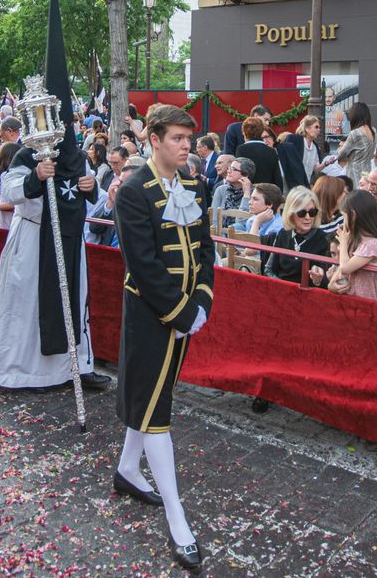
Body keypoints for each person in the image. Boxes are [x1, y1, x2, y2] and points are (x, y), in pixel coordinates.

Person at [0, 0, 111, 394]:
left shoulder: (76, 155)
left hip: (70, 243)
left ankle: (78, 366)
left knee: (74, 300)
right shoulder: (26, 153)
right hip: (35, 241)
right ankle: (21, 370)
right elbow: (8, 190)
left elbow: (91, 199)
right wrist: (36, 180)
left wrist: (91, 186)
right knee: (29, 306)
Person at [110, 103, 215, 572]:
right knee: (158, 413)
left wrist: (203, 303)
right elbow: (144, 265)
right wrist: (180, 312)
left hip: (188, 313)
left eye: (188, 139)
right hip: (152, 315)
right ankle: (178, 520)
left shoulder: (194, 183)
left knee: (156, 397)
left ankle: (127, 471)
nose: (185, 146)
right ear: (154, 139)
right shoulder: (133, 191)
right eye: (177, 138)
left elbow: (206, 249)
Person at [327, 190, 377, 302]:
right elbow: (341, 271)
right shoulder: (353, 240)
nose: (343, 221)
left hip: (369, 305)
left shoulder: (373, 244)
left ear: (354, 216)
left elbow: (345, 267)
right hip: (351, 301)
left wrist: (343, 243)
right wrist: (331, 284)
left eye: (344, 217)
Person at [262, 186, 331, 284]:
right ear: (291, 213)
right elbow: (269, 270)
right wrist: (283, 287)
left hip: (308, 295)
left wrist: (318, 280)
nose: (308, 217)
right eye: (301, 213)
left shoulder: (324, 239)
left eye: (312, 212)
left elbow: (327, 281)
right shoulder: (283, 234)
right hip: (282, 291)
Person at [276, 114, 325, 191]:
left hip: (305, 185)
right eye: (316, 127)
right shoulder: (294, 139)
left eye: (319, 127)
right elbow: (285, 160)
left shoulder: (315, 147)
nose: (319, 130)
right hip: (291, 184)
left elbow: (315, 169)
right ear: (307, 128)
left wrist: (326, 164)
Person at [333, 102, 376, 188]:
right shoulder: (373, 131)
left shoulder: (355, 133)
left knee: (355, 197)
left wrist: (341, 147)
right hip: (367, 170)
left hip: (354, 172)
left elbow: (341, 154)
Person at [235, 116, 281, 188]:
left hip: (248, 192)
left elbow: (239, 173)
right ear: (261, 131)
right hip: (267, 193)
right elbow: (277, 177)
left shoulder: (241, 149)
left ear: (244, 133)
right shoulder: (271, 151)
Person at [214, 156, 253, 223]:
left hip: (241, 232)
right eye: (229, 168)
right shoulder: (221, 190)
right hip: (220, 232)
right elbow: (214, 220)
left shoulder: (254, 193)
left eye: (234, 169)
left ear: (245, 175)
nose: (228, 171)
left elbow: (242, 222)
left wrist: (246, 193)